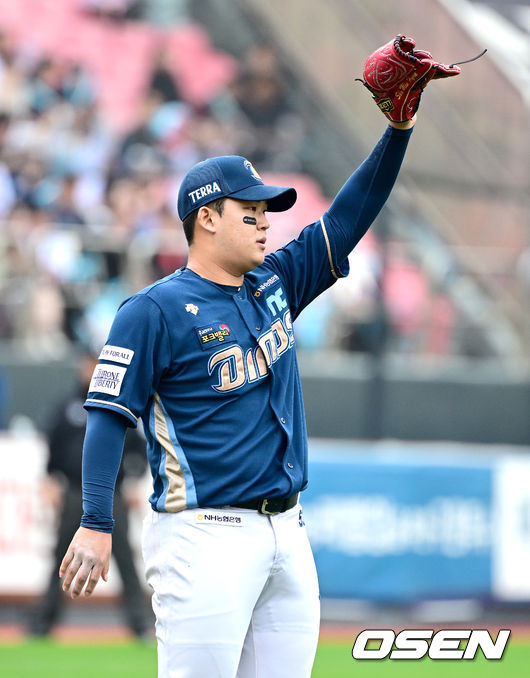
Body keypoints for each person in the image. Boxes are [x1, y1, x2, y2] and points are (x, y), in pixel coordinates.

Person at [59, 35, 459, 678]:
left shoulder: (276, 282)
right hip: (203, 535)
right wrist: (97, 520)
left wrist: (398, 130)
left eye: (267, 210)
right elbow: (108, 417)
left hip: (287, 533)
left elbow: (350, 217)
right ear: (207, 218)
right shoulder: (153, 310)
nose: (267, 220)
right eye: (251, 210)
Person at [29, 351, 152, 638]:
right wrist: (49, 480)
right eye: (86, 363)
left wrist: (133, 480)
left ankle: (139, 623)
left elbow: (138, 452)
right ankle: (43, 623)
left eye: (94, 363)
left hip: (112, 496)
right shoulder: (66, 406)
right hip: (72, 492)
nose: (89, 369)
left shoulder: (117, 404)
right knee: (61, 557)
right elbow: (52, 452)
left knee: (124, 558)